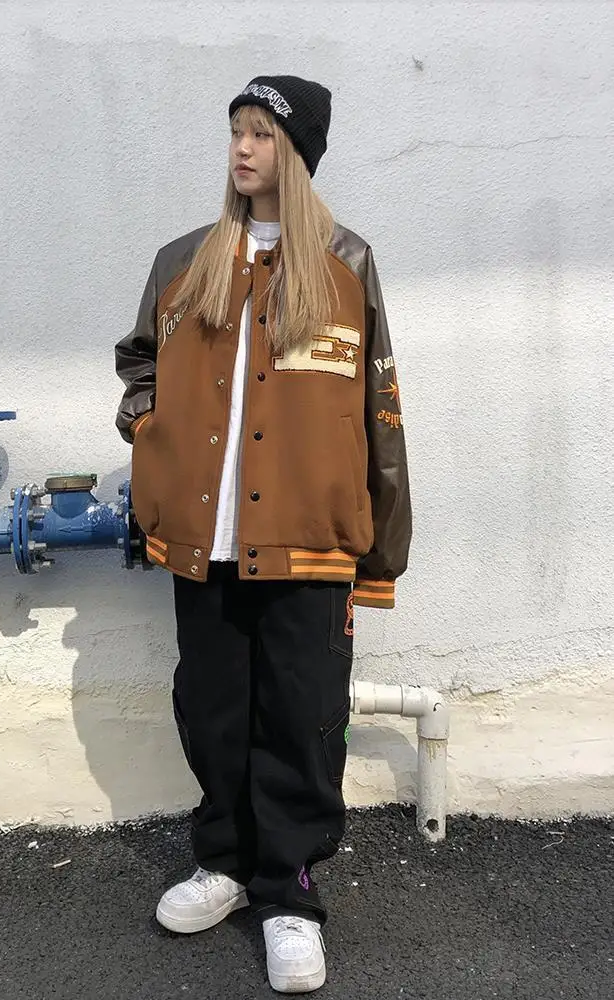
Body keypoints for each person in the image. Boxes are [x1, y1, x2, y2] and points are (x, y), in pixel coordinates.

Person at [115, 75, 411, 994]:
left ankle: (290, 894)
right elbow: (137, 362)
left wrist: (380, 552)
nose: (243, 150)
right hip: (201, 540)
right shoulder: (183, 261)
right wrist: (147, 429)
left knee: (299, 714)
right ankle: (225, 864)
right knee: (211, 708)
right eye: (236, 132)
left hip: (308, 539)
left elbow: (379, 408)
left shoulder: (347, 264)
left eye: (263, 135)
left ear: (299, 154)